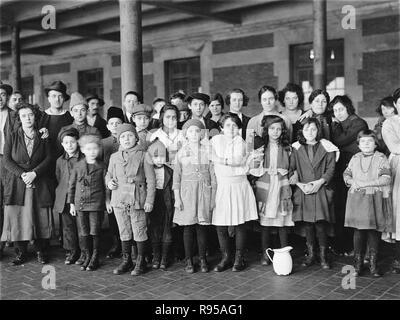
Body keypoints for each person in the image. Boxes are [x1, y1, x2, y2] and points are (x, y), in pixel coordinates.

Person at [1, 102, 53, 265]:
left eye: (30, 114)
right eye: (23, 115)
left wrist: (34, 173)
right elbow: (7, 160)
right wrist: (23, 174)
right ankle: (21, 252)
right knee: (18, 217)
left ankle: (41, 251)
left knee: (39, 216)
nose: (27, 118)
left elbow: (49, 158)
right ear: (19, 118)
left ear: (35, 116)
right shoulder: (12, 135)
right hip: (18, 182)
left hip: (39, 180)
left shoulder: (43, 135)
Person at [210, 113, 259, 272]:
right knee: (221, 224)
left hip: (238, 186)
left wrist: (220, 159)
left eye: (235, 125)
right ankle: (226, 257)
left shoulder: (242, 142)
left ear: (239, 128)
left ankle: (239, 258)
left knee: (239, 223)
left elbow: (237, 160)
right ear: (221, 127)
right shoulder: (215, 140)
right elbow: (207, 156)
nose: (231, 128)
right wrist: (217, 159)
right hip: (222, 186)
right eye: (228, 125)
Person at [289, 118, 339, 269]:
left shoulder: (327, 147)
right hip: (304, 189)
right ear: (301, 132)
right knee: (308, 224)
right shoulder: (296, 148)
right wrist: (300, 185)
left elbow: (330, 169)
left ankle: (323, 255)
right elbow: (292, 169)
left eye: (313, 129)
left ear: (318, 130)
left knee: (321, 225)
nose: (310, 132)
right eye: (306, 129)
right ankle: (311, 254)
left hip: (320, 189)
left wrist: (319, 183)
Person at [106, 124, 155, 276]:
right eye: (123, 137)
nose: (126, 139)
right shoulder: (114, 157)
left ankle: (140, 261)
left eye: (130, 135)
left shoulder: (144, 155)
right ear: (119, 140)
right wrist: (109, 182)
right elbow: (108, 173)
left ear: (136, 137)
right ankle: (127, 260)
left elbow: (151, 180)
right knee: (124, 230)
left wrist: (149, 201)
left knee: (139, 229)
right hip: (119, 199)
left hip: (138, 199)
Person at [343, 130, 393, 277]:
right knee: (358, 232)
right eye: (363, 141)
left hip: (373, 199)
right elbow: (346, 174)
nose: (366, 144)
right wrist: (352, 181)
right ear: (358, 144)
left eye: (370, 141)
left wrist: (364, 183)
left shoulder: (381, 158)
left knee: (373, 232)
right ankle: (357, 264)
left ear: (376, 144)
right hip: (356, 199)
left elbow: (386, 178)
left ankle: (372, 264)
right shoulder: (355, 157)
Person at [173, 119, 216, 273]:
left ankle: (203, 259)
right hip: (187, 193)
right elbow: (176, 178)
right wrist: (177, 198)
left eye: (197, 131)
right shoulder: (181, 153)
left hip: (204, 192)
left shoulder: (208, 151)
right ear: (185, 134)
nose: (194, 134)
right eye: (190, 131)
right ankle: (189, 260)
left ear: (202, 134)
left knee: (201, 228)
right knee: (188, 228)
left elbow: (212, 174)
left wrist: (212, 195)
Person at [249, 115, 294, 266]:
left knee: (281, 221)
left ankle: (284, 253)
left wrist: (286, 172)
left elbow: (293, 168)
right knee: (266, 223)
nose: (275, 132)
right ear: (266, 130)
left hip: (281, 185)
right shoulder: (262, 147)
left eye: (279, 129)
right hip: (266, 185)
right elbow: (254, 168)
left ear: (283, 131)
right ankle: (265, 253)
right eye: (272, 128)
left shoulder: (288, 148)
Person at [330, 95, 368, 256]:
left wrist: (335, 126)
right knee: (341, 207)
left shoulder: (358, 123)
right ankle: (343, 246)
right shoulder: (343, 123)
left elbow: (340, 140)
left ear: (348, 108)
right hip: (342, 171)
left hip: (357, 172)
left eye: (340, 109)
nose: (338, 113)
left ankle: (356, 248)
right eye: (335, 110)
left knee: (354, 209)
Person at [68, 134, 108, 271]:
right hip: (80, 203)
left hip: (96, 203)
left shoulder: (102, 166)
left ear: (99, 149)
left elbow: (106, 186)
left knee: (95, 230)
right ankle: (87, 255)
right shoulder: (77, 166)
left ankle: (95, 257)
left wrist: (107, 201)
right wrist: (72, 204)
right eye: (88, 149)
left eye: (95, 149)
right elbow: (71, 186)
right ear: (83, 150)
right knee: (84, 231)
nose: (92, 152)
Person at [54, 127, 83, 265]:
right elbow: (58, 177)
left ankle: (84, 250)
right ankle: (72, 250)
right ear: (62, 144)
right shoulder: (60, 160)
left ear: (77, 142)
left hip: (80, 197)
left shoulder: (83, 159)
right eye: (66, 142)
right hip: (64, 197)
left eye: (72, 142)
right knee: (67, 226)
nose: (69, 145)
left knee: (81, 225)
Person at [147, 139, 174, 270]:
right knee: (154, 230)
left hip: (167, 201)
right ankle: (156, 256)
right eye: (155, 156)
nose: (159, 160)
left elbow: (173, 189)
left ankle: (164, 257)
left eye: (162, 156)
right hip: (154, 200)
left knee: (167, 230)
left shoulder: (170, 171)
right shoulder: (148, 170)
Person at [101, 106, 124, 259]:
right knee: (113, 218)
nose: (115, 126)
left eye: (118, 123)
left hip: (127, 185)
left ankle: (128, 245)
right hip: (111, 185)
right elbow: (102, 170)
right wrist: (107, 197)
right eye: (112, 123)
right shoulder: (103, 144)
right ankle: (116, 244)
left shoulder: (129, 140)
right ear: (107, 126)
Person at [382, 87, 400, 273]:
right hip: (399, 166)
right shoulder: (390, 123)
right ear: (395, 105)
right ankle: (398, 257)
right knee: (399, 210)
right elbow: (395, 146)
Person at [0, 82, 14, 259]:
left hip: (7, 161)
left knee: (7, 200)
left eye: (2, 94)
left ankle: (4, 241)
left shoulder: (13, 116)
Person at [150, 104, 186, 169]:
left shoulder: (183, 134)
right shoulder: (155, 136)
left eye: (174, 117)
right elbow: (154, 158)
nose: (171, 120)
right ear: (162, 117)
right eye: (168, 117)